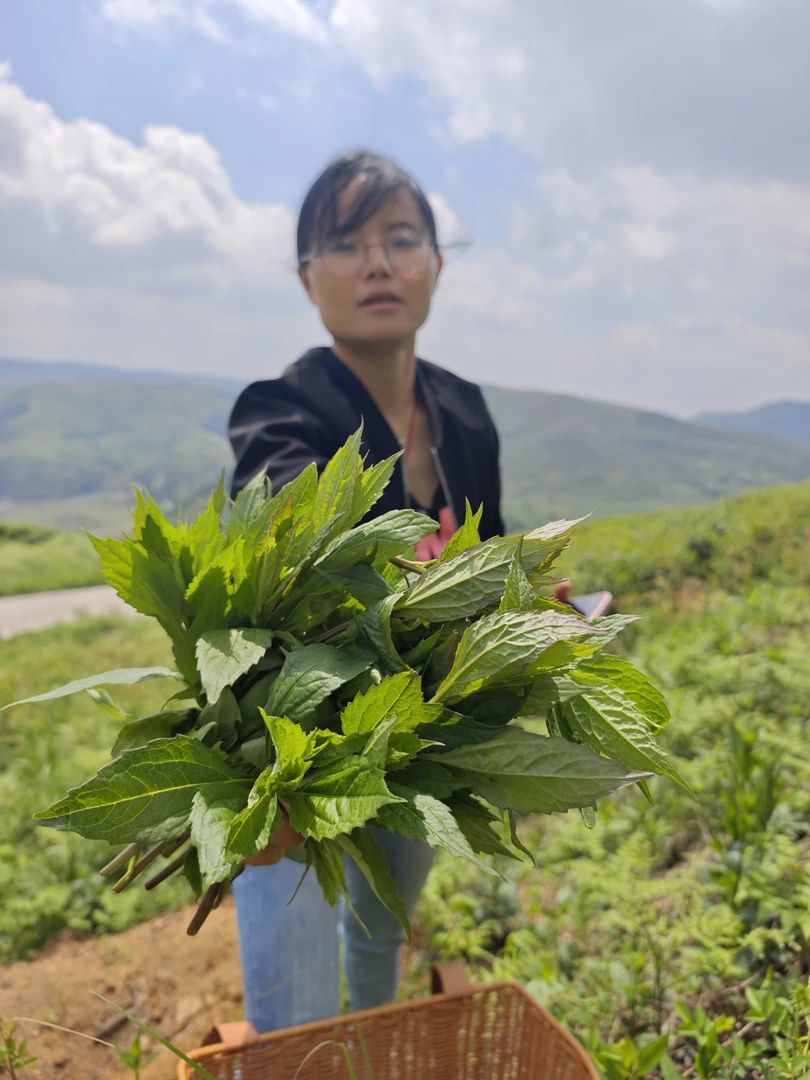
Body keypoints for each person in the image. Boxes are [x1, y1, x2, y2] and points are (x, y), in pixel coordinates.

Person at [227, 149, 505, 1034]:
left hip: (421, 741)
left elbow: (489, 547)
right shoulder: (278, 411)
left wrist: (522, 606)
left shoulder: (465, 411)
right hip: (293, 757)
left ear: (437, 264)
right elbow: (298, 536)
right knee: (297, 1025)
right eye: (346, 244)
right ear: (308, 276)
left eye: (402, 238)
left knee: (382, 928)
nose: (378, 263)